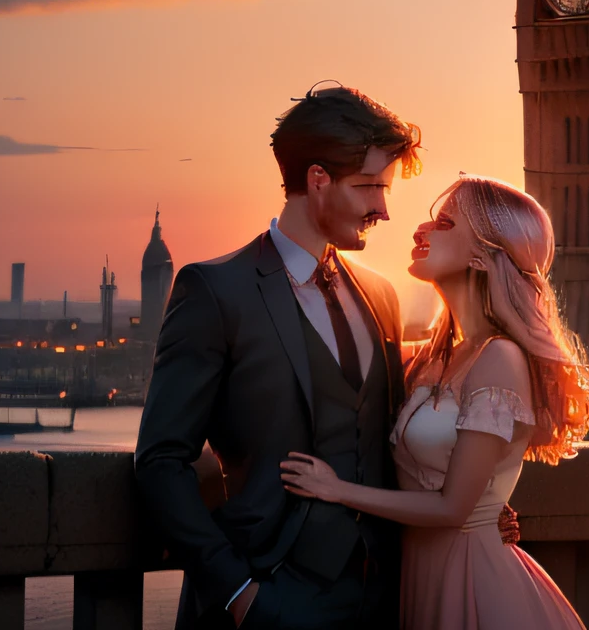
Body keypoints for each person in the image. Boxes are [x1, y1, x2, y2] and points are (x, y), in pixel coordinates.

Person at [135, 83, 421, 628]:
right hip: (268, 596)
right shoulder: (215, 291)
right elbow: (160, 460)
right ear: (317, 181)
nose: (383, 209)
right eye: (368, 188)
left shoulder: (382, 297)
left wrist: (468, 509)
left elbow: (392, 445)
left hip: (382, 599)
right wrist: (238, 593)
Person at [282, 175, 589, 630]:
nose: (420, 229)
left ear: (483, 253)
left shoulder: (500, 358)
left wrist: (336, 490)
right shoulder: (430, 358)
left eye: (445, 223)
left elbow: (454, 508)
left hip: (477, 584)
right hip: (420, 576)